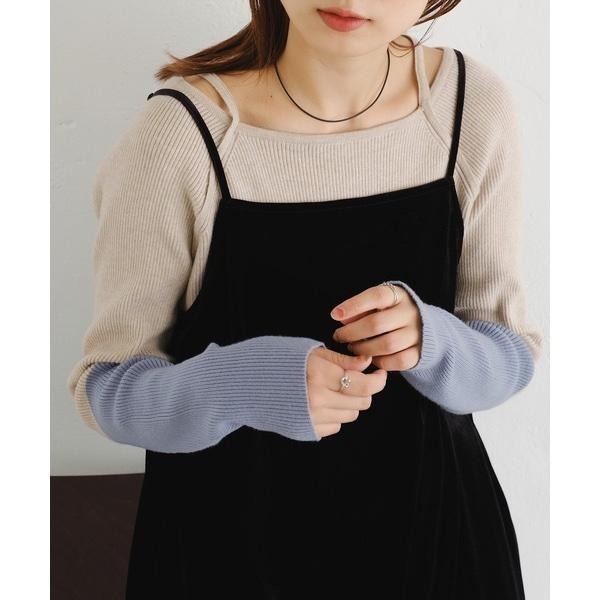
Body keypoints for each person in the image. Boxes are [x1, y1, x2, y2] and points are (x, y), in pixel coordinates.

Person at [67, 1, 543, 597]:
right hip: (224, 556)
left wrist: (433, 340)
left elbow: (509, 356)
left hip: (439, 550)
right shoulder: (180, 136)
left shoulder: (469, 105)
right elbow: (108, 391)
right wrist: (244, 382)